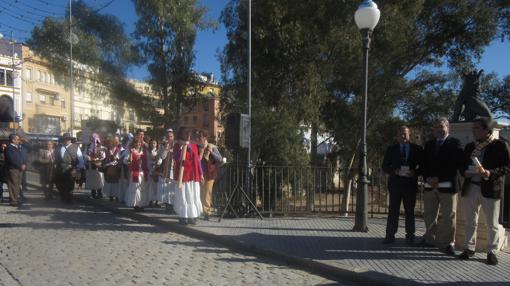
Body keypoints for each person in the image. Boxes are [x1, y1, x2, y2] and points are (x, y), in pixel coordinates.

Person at [458, 117, 510, 265]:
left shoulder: (500, 145)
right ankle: (469, 248)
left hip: (490, 187)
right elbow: (462, 165)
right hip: (471, 187)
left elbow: (507, 166)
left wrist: (489, 173)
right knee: (470, 221)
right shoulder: (469, 147)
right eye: (473, 128)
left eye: (476, 128)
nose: (473, 131)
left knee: (492, 223)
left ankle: (491, 251)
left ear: (487, 130)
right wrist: (464, 172)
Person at [420, 118, 464, 255]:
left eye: (441, 126)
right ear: (433, 130)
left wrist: (439, 178)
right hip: (430, 185)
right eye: (436, 127)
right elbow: (423, 164)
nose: (439, 129)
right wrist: (428, 177)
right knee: (429, 214)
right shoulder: (429, 144)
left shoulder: (455, 143)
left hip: (447, 185)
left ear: (447, 128)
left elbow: (455, 164)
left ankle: (447, 243)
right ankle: (430, 239)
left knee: (448, 215)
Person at [382, 125, 423, 244]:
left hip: (410, 185)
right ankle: (390, 235)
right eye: (400, 134)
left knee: (410, 212)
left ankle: (410, 237)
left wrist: (415, 172)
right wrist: (394, 171)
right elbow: (385, 166)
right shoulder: (391, 149)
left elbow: (423, 166)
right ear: (397, 136)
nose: (403, 136)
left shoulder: (417, 149)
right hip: (395, 185)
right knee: (393, 211)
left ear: (409, 134)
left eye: (405, 133)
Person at [173, 127, 203, 225]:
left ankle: (191, 216)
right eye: (187, 134)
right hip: (183, 175)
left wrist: (201, 173)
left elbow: (197, 161)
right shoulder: (177, 145)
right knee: (184, 196)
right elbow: (176, 158)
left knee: (193, 196)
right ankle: (183, 216)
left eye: (190, 135)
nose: (189, 137)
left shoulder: (193, 146)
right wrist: (182, 147)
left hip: (193, 175)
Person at [198, 130, 223, 220]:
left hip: (210, 173)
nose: (199, 139)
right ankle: (201, 211)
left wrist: (211, 152)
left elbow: (220, 159)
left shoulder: (212, 146)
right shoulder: (198, 148)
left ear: (205, 138)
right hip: (201, 173)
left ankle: (207, 212)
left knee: (207, 193)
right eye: (198, 137)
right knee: (201, 193)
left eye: (200, 137)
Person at [54, 133, 85, 203]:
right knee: (59, 184)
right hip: (60, 168)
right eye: (65, 139)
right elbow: (55, 157)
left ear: (70, 139)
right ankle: (62, 196)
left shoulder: (76, 147)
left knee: (69, 185)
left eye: (68, 139)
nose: (66, 140)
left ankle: (68, 199)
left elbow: (80, 159)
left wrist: (79, 168)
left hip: (70, 169)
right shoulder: (59, 147)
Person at [124, 138, 149, 211]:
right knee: (136, 189)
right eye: (137, 143)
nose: (138, 144)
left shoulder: (143, 151)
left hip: (142, 172)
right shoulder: (131, 151)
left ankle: (141, 204)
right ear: (134, 144)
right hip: (135, 172)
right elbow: (126, 160)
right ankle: (136, 205)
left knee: (142, 188)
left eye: (139, 143)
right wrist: (129, 160)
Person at [155, 129, 176, 212]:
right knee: (166, 188)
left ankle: (173, 205)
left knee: (172, 188)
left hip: (174, 170)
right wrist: (166, 149)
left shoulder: (177, 146)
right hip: (166, 169)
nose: (169, 138)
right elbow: (162, 157)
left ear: (173, 137)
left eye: (171, 136)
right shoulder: (162, 146)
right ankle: (168, 206)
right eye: (168, 137)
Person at [5, 134, 25, 206]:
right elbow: (11, 159)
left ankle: (15, 199)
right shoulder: (9, 148)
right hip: (13, 169)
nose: (19, 141)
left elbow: (20, 157)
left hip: (18, 169)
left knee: (17, 185)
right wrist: (20, 165)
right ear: (13, 140)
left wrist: (23, 164)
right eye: (17, 139)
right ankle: (13, 200)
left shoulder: (16, 147)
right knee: (13, 185)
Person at [102, 135, 123, 201]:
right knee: (110, 182)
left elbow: (121, 158)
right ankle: (111, 195)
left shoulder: (121, 149)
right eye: (114, 140)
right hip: (110, 168)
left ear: (118, 141)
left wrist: (116, 160)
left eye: (116, 140)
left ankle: (117, 196)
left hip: (117, 168)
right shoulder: (108, 149)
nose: (115, 142)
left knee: (117, 182)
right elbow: (106, 158)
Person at [85, 133, 105, 199]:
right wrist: (88, 157)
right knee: (92, 179)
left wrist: (97, 159)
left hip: (98, 165)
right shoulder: (89, 146)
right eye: (92, 138)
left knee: (99, 179)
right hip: (91, 165)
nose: (93, 139)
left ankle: (100, 193)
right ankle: (93, 193)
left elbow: (103, 156)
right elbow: (85, 154)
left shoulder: (100, 146)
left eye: (95, 138)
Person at [147, 138, 160, 207]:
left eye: (154, 143)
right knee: (150, 186)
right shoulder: (148, 151)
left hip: (156, 170)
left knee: (157, 186)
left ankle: (157, 201)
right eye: (152, 143)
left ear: (157, 144)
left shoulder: (158, 151)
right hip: (150, 170)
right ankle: (150, 200)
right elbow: (148, 161)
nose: (153, 145)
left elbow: (159, 160)